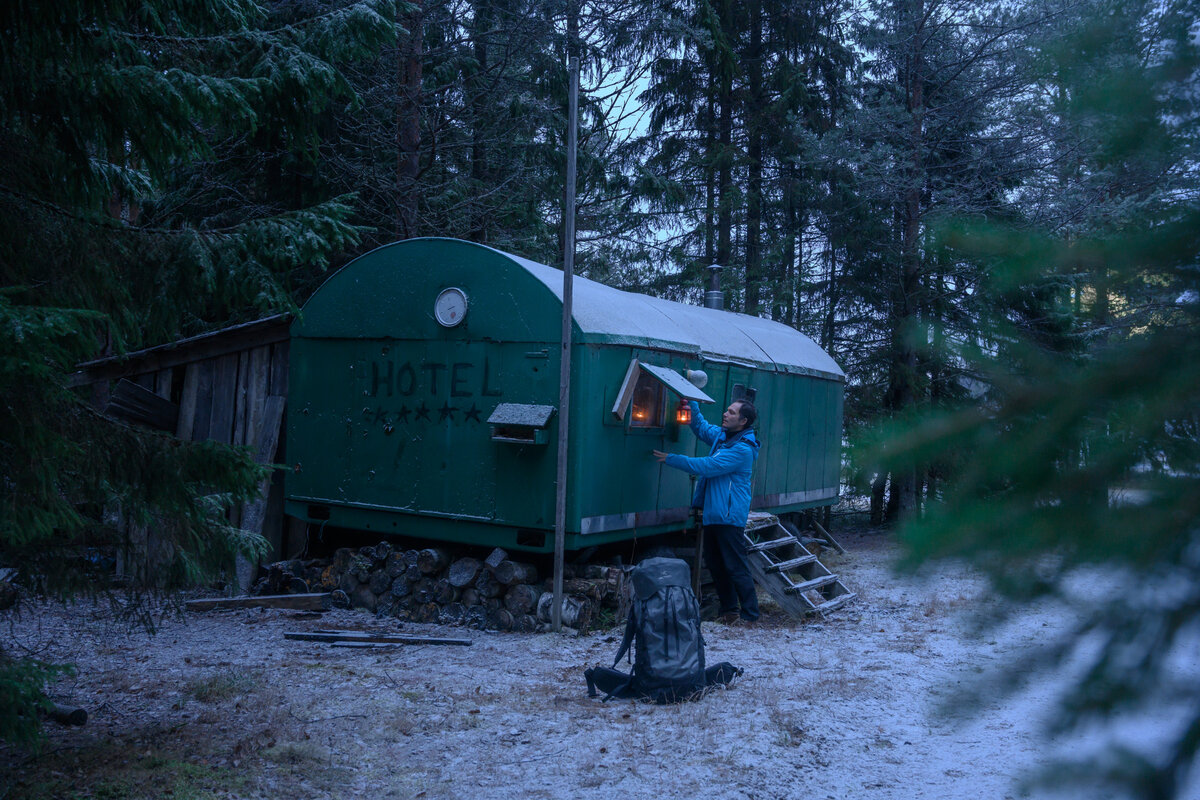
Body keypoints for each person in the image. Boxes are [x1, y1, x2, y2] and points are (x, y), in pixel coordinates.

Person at [653, 399, 761, 623]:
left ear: (743, 421)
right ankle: (729, 611)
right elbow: (701, 427)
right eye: (727, 409)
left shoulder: (742, 449)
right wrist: (690, 401)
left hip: (729, 515)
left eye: (731, 412)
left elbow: (707, 467)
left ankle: (750, 615)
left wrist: (672, 459)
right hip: (714, 513)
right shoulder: (723, 437)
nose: (725, 413)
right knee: (716, 564)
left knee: (735, 565)